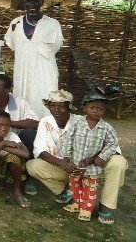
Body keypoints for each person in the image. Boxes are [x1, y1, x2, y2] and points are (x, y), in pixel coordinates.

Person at [27, 91, 128, 225]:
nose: (56, 110)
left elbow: (114, 148)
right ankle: (69, 193)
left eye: (62, 106)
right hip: (69, 168)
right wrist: (64, 161)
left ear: (70, 107)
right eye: (52, 105)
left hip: (94, 169)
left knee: (119, 162)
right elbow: (40, 150)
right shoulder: (46, 122)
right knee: (33, 166)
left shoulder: (92, 123)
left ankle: (106, 205)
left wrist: (90, 160)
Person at [59, 94, 122, 222]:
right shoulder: (77, 124)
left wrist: (101, 157)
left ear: (105, 111)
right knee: (75, 186)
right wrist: (66, 157)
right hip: (76, 166)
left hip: (93, 169)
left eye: (100, 109)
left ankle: (87, 210)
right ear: (84, 108)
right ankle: (78, 204)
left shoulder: (106, 128)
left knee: (90, 189)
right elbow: (67, 140)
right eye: (91, 107)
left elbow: (113, 144)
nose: (95, 111)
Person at [4, 0, 64, 118]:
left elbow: (56, 46)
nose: (32, 5)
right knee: (22, 99)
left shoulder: (52, 24)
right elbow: (13, 44)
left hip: (44, 71)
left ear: (41, 3)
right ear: (24, 3)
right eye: (28, 1)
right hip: (23, 69)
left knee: (44, 98)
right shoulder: (16, 24)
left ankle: (45, 130)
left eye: (36, 1)